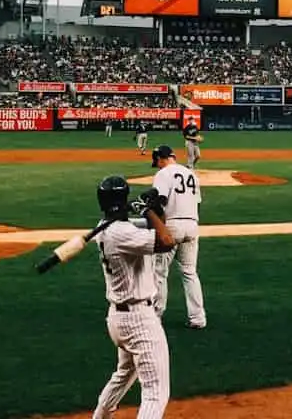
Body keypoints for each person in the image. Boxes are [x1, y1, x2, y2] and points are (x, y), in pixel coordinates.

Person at [89, 174, 176, 419]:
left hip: (119, 319)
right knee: (155, 392)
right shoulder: (122, 234)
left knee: (123, 375)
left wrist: (154, 210)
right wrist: (147, 211)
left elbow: (155, 228)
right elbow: (167, 240)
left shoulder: (107, 228)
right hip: (139, 321)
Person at [150, 145, 206, 330]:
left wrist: (159, 227)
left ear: (161, 158)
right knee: (190, 272)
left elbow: (160, 203)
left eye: (157, 161)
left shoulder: (163, 174)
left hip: (172, 225)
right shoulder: (191, 174)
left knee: (159, 272)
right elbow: (197, 204)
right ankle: (198, 318)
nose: (157, 165)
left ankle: (156, 317)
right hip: (192, 224)